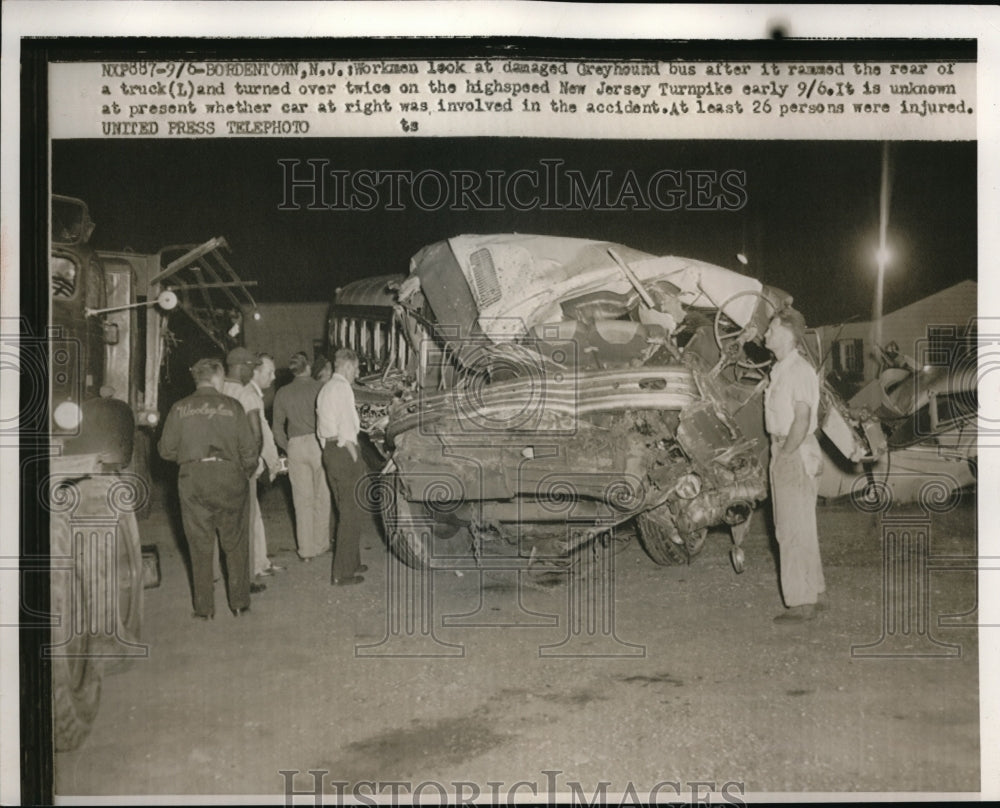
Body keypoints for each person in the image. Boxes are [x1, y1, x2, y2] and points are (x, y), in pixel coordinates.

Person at [158, 358, 258, 619]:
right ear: (216, 378)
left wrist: (191, 455)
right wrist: (242, 473)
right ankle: (239, 604)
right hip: (229, 476)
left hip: (193, 478)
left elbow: (165, 451)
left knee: (199, 545)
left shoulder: (179, 408)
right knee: (235, 543)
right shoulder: (233, 406)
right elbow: (249, 450)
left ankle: (204, 609)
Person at [763, 307, 826, 623]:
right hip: (789, 448)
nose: (765, 334)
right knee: (802, 526)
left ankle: (801, 603)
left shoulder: (798, 370)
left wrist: (785, 454)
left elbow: (801, 420)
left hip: (793, 449)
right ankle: (813, 591)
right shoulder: (782, 370)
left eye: (771, 329)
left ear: (787, 333)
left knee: (789, 529)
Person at [316, 348, 368, 585]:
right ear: (347, 367)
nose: (357, 373)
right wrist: (355, 456)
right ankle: (342, 573)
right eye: (356, 368)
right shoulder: (343, 388)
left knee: (344, 508)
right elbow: (347, 427)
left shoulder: (325, 388)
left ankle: (352, 561)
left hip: (329, 450)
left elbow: (322, 428)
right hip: (343, 451)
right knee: (351, 512)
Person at [273, 351, 330, 561]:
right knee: (322, 497)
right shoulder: (319, 388)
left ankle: (306, 551)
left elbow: (277, 428)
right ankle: (321, 544)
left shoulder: (282, 393)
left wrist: (287, 447)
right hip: (317, 444)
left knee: (302, 500)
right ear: (308, 367)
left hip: (295, 446)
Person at [222, 347, 269, 594]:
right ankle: (246, 578)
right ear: (241, 366)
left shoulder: (218, 389)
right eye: (251, 366)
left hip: (219, 465)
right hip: (241, 466)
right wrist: (251, 466)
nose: (253, 371)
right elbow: (256, 435)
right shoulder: (246, 394)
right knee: (245, 525)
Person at [241, 352, 284, 581]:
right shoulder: (250, 396)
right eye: (269, 372)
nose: (273, 376)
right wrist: (271, 460)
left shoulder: (251, 393)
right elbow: (261, 433)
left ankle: (260, 562)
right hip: (248, 465)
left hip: (248, 463)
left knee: (254, 516)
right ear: (255, 372)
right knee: (251, 518)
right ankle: (255, 567)